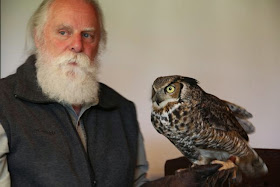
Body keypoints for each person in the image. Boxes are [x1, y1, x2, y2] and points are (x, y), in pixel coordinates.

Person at [0, 0, 235, 186]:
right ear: (39, 37)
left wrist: (178, 183)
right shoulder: (3, 103)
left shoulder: (122, 109)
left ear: (99, 43)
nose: (77, 45)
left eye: (87, 35)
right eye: (63, 32)